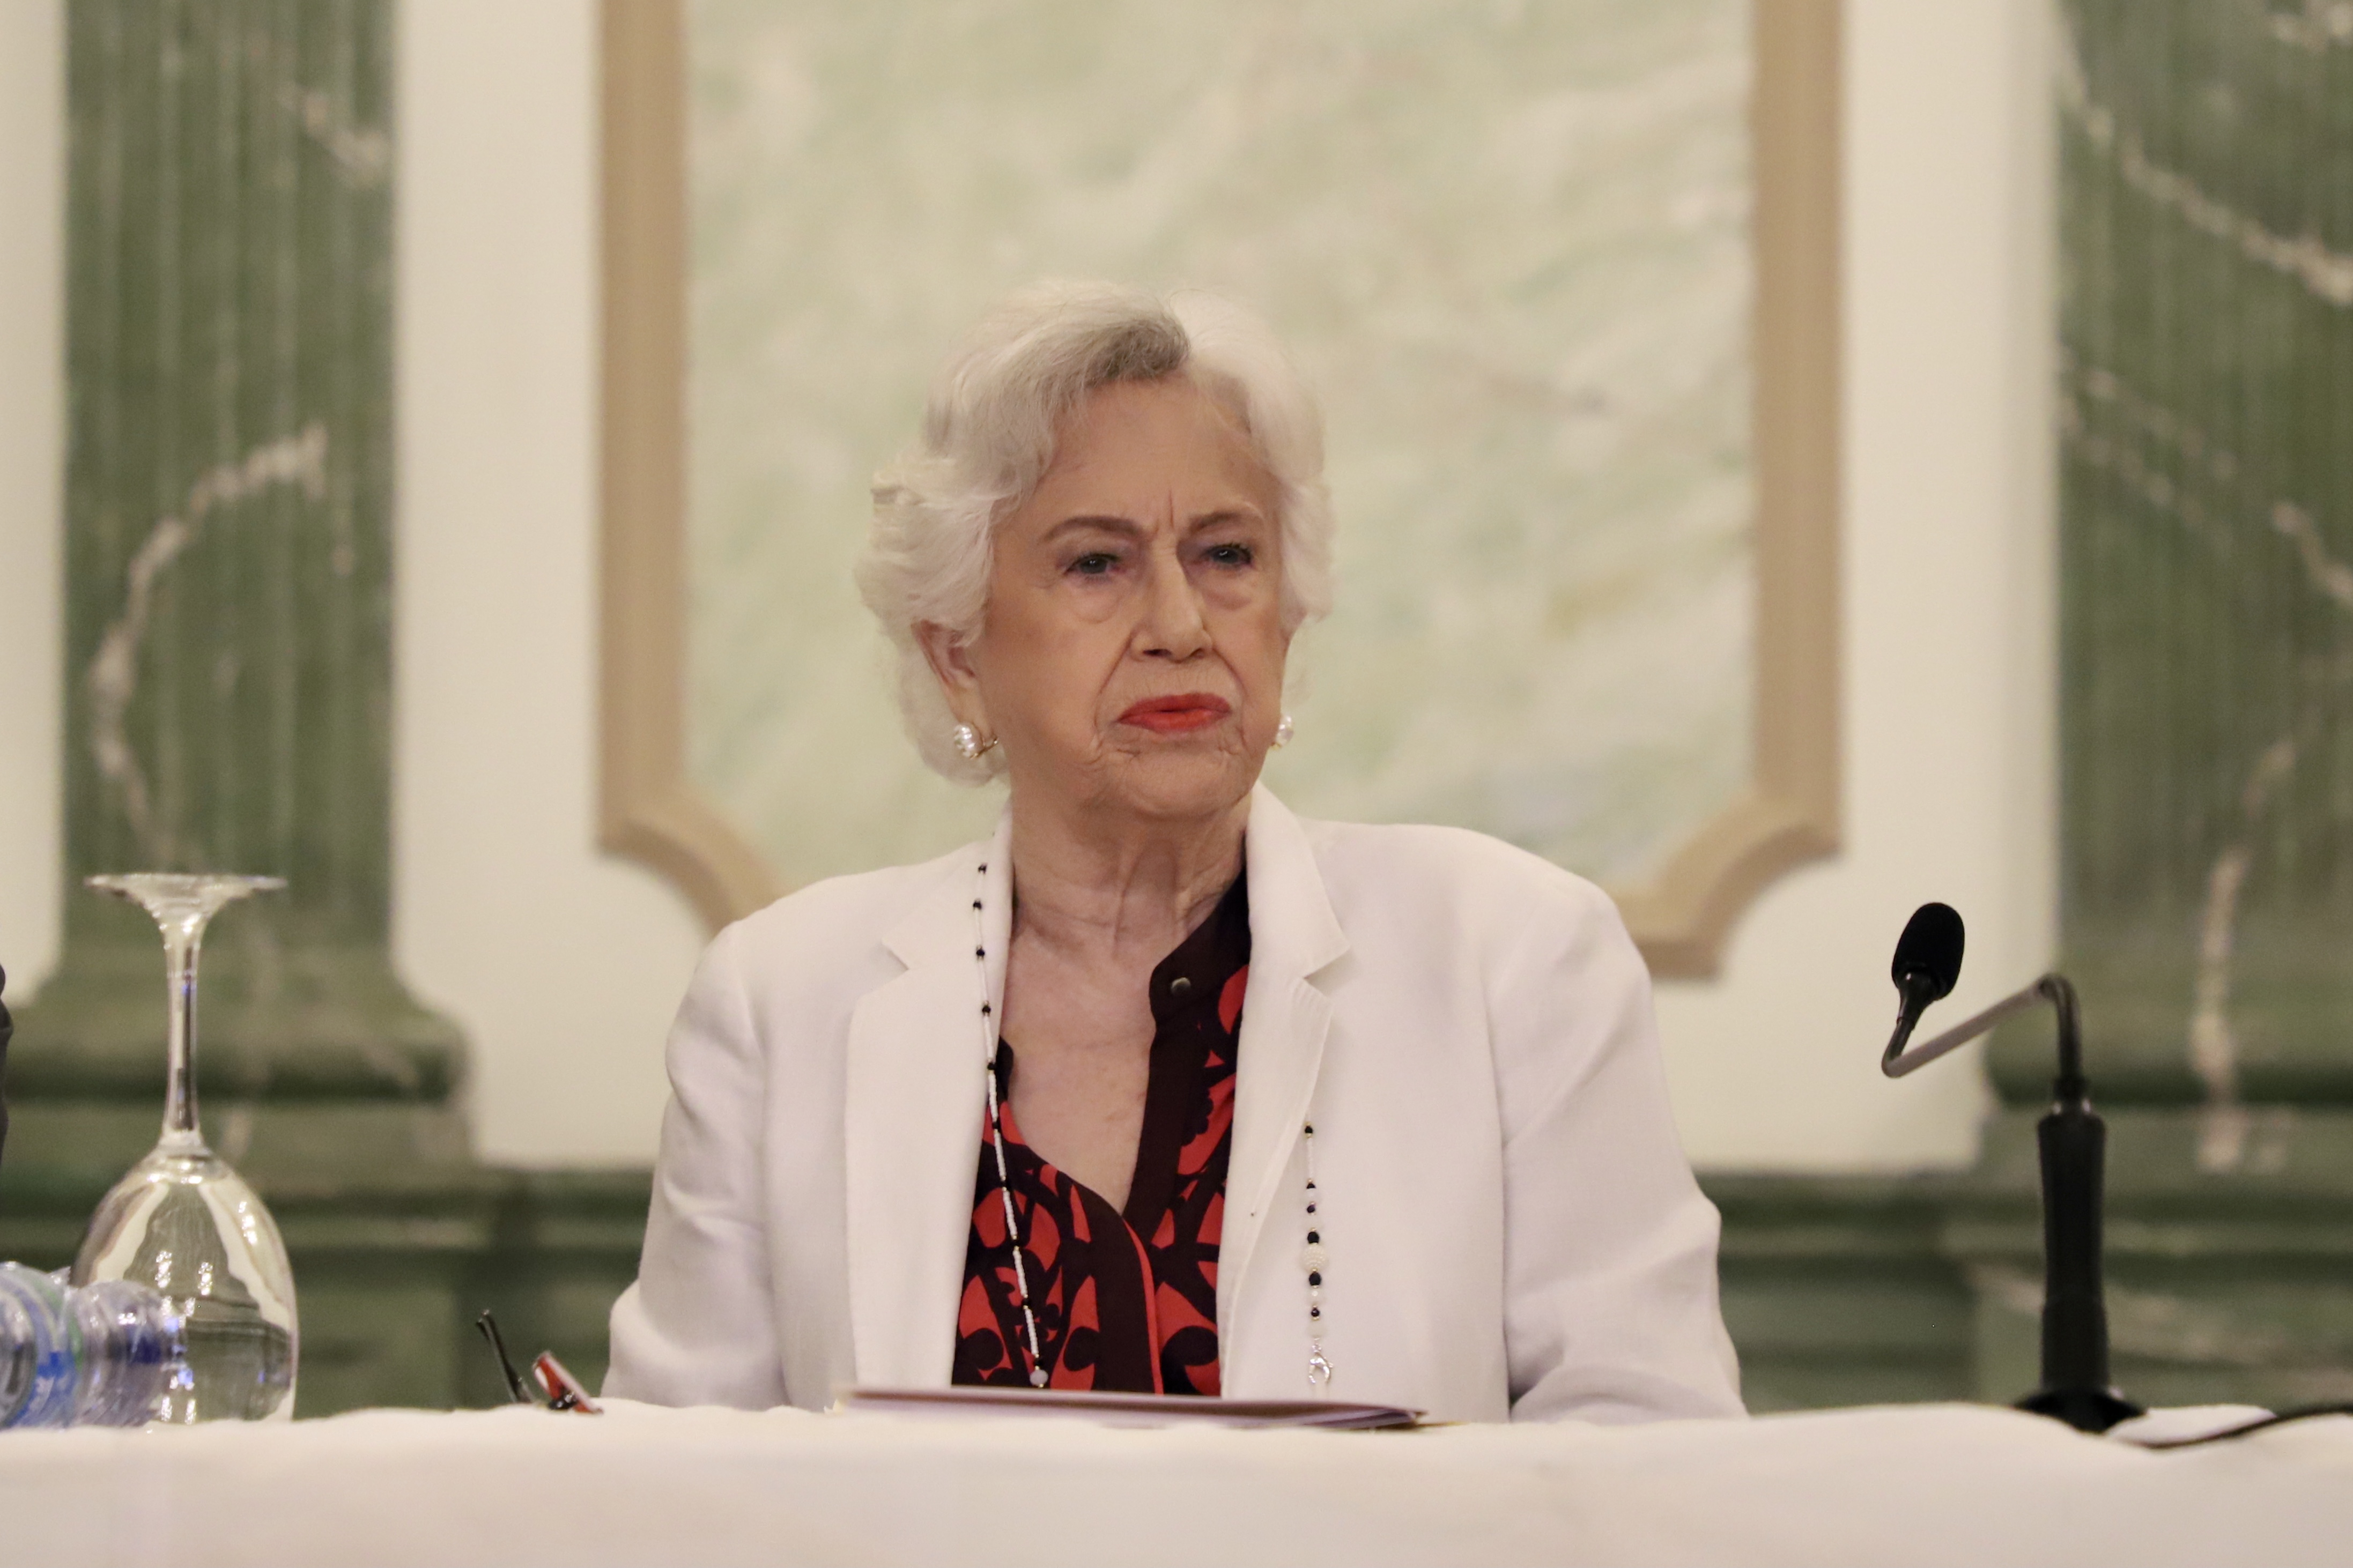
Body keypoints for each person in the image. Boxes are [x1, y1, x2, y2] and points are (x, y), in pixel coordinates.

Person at [605, 282, 1743, 1423]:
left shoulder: (1514, 959)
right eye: (1096, 563)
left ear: (1286, 610)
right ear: (958, 655)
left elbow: (1649, 1443)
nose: (1182, 624)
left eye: (1226, 554)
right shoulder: (778, 1003)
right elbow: (668, 1482)